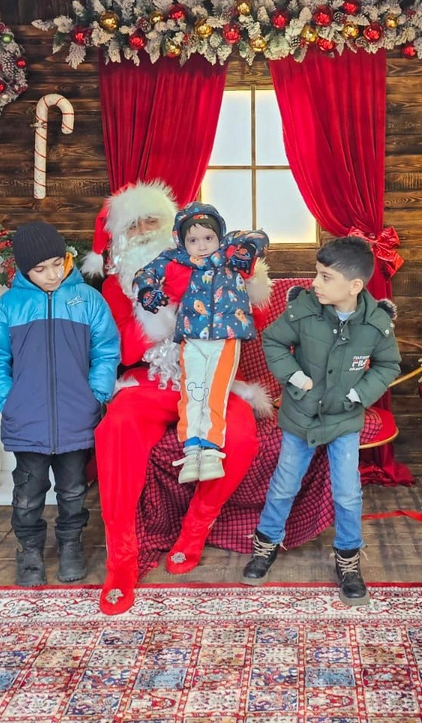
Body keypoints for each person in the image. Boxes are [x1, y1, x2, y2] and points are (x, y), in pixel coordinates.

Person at [83, 182, 271, 615]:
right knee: (115, 430)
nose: (144, 231)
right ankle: (121, 559)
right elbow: (123, 352)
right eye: (133, 226)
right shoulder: (114, 289)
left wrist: (242, 284)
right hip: (150, 381)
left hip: (213, 380)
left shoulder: (213, 269)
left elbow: (254, 320)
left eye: (152, 221)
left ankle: (195, 529)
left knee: (241, 437)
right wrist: (161, 312)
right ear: (119, 240)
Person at [242, 236, 401, 606]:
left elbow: (388, 364)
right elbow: (273, 341)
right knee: (284, 484)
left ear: (355, 285)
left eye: (325, 277)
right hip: (300, 415)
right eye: (317, 273)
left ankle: (348, 559)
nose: (315, 282)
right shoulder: (304, 309)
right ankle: (266, 544)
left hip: (344, 418)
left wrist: (358, 395)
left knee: (347, 492)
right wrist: (295, 377)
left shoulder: (375, 324)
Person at [0, 221, 120, 587]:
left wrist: (96, 393)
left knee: (73, 491)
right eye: (41, 269)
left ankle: (71, 546)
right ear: (25, 270)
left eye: (58, 263)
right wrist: (7, 399)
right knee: (28, 493)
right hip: (27, 421)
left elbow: (106, 350)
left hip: (76, 417)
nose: (53, 274)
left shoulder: (88, 300)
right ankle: (29, 551)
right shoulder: (10, 306)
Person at [133, 203, 268, 484]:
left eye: (208, 238)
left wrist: (248, 250)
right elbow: (145, 274)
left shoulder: (229, 251)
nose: (202, 245)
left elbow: (258, 236)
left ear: (219, 236)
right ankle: (191, 449)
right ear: (182, 242)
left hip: (226, 337)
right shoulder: (175, 258)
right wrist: (147, 291)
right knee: (192, 392)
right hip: (192, 337)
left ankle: (211, 451)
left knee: (214, 392)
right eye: (193, 240)